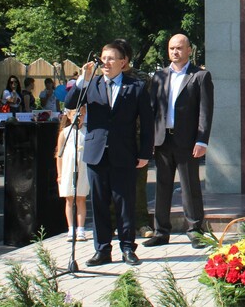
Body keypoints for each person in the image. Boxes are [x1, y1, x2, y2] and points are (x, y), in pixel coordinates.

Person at [65, 41, 153, 267]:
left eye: (111, 58)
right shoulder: (90, 84)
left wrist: (145, 152)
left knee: (125, 202)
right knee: (100, 203)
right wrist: (81, 80)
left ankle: (127, 248)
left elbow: (148, 121)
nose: (106, 62)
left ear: (123, 63)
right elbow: (69, 103)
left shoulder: (136, 86)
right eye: (103, 58)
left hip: (124, 152)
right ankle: (102, 249)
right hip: (96, 153)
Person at [144, 33, 214, 248]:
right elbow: (152, 110)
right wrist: (149, 140)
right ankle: (161, 231)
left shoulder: (200, 76)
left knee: (189, 186)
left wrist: (202, 140)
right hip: (163, 140)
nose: (175, 52)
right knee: (162, 186)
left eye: (179, 48)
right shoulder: (159, 77)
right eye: (172, 48)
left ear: (189, 50)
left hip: (187, 141)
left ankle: (195, 230)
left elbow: (205, 111)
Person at [55, 107, 89, 241]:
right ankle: (71, 228)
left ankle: (81, 229)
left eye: (81, 114)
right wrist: (60, 173)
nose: (78, 117)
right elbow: (59, 154)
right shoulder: (65, 133)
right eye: (75, 114)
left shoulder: (87, 132)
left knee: (81, 198)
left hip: (83, 167)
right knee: (69, 199)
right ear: (69, 115)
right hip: (68, 168)